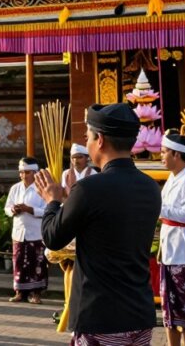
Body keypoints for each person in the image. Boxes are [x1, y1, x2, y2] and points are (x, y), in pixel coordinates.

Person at [37, 103, 161, 345]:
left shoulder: (88, 189)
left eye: (89, 137)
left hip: (101, 315)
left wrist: (52, 202)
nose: (88, 143)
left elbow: (53, 237)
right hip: (140, 312)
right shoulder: (150, 187)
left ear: (100, 140)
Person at [158, 130, 185, 346]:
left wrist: (158, 207)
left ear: (176, 154)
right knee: (169, 310)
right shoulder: (173, 179)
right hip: (169, 251)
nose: (161, 156)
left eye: (164, 152)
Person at [4, 157, 48, 304]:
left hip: (36, 232)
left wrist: (30, 209)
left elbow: (48, 210)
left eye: (27, 172)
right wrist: (13, 209)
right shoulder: (15, 188)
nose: (23, 175)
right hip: (19, 232)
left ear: (35, 172)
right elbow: (7, 207)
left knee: (37, 263)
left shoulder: (42, 188)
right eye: (21, 172)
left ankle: (36, 294)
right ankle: (19, 292)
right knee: (19, 262)